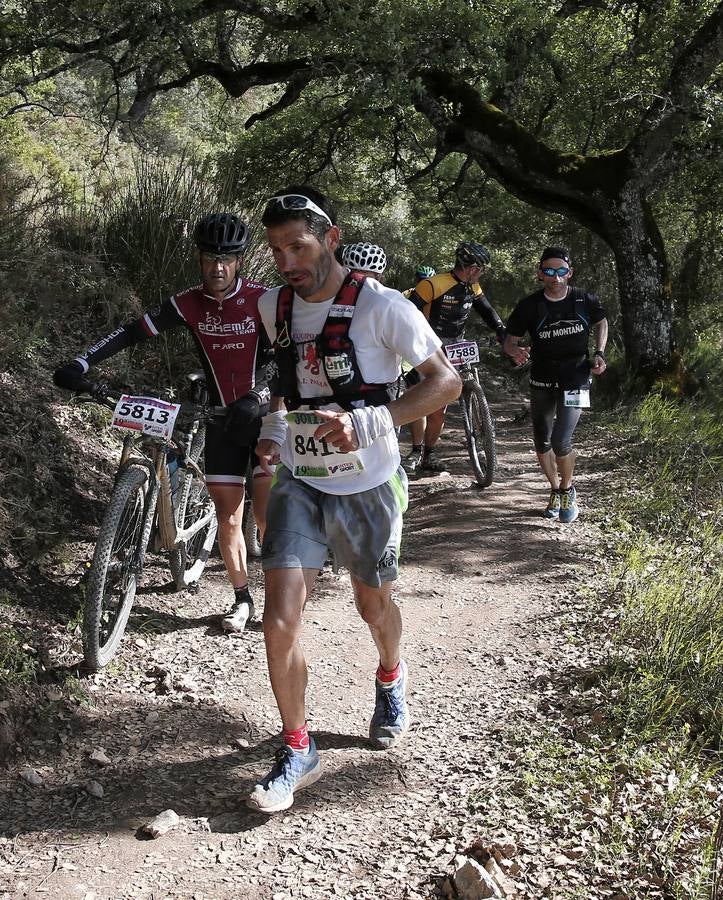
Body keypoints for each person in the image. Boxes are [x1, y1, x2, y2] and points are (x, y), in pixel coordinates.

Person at [246, 186, 461, 814]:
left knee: (373, 606)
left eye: (299, 246)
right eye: (277, 250)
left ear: (331, 237)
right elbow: (285, 385)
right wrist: (269, 431)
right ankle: (297, 747)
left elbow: (445, 383)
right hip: (300, 480)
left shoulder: (383, 308)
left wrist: (374, 420)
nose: (287, 262)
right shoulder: (271, 307)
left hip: (368, 485)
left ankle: (390, 675)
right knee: (278, 616)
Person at [53, 212, 272, 633]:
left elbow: (287, 361)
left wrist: (259, 396)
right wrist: (81, 362)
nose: (218, 267)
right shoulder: (188, 302)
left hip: (263, 420)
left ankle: (281, 602)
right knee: (228, 515)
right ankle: (242, 598)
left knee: (266, 516)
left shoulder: (263, 300)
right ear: (199, 258)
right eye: (210, 258)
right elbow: (130, 333)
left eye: (227, 258)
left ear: (240, 260)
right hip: (220, 420)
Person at [502, 246, 608, 523]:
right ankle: (554, 489)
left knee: (562, 440)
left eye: (561, 271)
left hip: (576, 376)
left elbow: (601, 321)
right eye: (549, 271)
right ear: (540, 273)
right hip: (542, 378)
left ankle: (568, 489)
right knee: (542, 439)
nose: (556, 277)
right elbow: (509, 341)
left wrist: (599, 353)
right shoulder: (529, 306)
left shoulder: (584, 299)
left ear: (569, 273)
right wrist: (515, 351)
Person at [404, 242, 507, 474]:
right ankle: (416, 451)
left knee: (440, 407)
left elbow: (487, 311)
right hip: (431, 345)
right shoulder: (433, 285)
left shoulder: (473, 287)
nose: (482, 273)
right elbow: (408, 316)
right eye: (482, 269)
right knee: (422, 400)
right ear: (471, 268)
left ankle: (430, 453)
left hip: (458, 344)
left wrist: (502, 330)